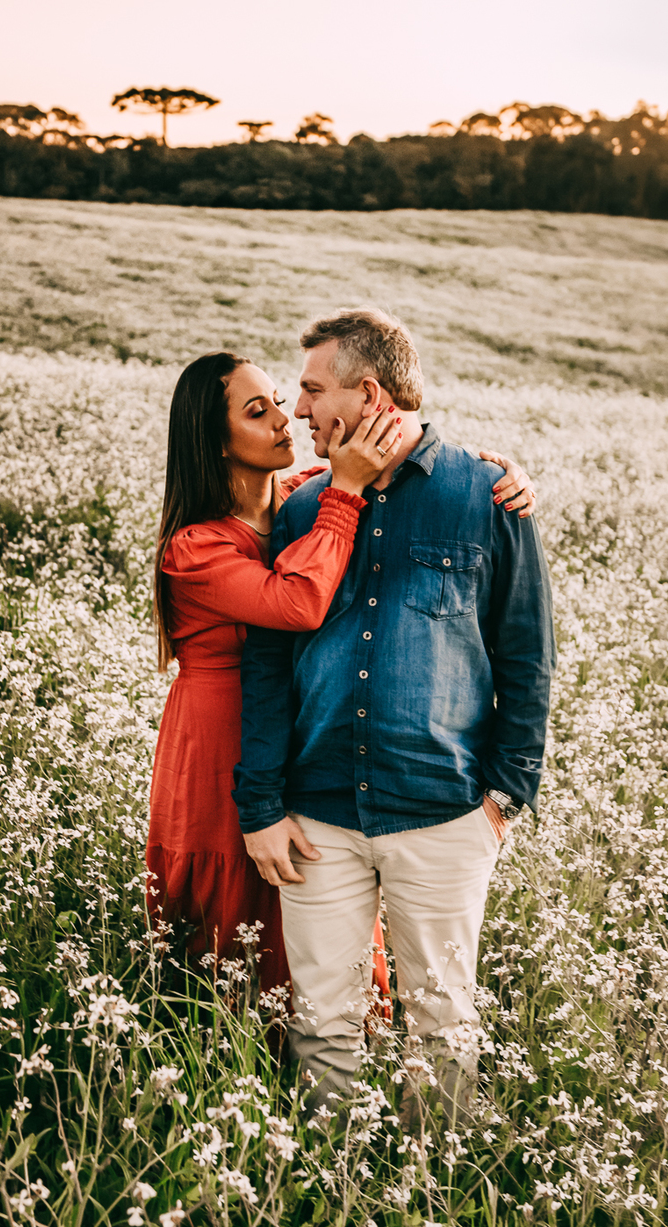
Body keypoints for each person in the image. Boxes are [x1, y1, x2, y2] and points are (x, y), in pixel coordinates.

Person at [232, 308, 555, 1124]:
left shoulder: (487, 496)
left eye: (311, 390)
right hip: (316, 818)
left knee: (443, 1023)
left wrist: (503, 800)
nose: (300, 411)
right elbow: (267, 671)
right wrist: (262, 805)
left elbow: (526, 656)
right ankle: (327, 1197)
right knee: (322, 1025)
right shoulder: (301, 513)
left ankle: (435, 1197)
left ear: (366, 393)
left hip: (444, 813)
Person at [147, 348, 536, 1013]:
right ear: (215, 443)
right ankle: (228, 1083)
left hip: (302, 747)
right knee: (236, 944)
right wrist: (347, 491)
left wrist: (494, 477)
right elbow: (298, 603)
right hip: (222, 746)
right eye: (257, 408)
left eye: (279, 396)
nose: (285, 416)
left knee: (323, 951)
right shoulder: (198, 547)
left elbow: (413, 474)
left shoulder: (300, 499)